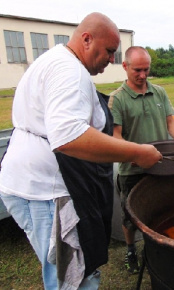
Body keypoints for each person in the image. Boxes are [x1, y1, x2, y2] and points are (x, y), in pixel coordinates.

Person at [0, 13, 162, 290]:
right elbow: (68, 136)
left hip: (39, 185)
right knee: (71, 276)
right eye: (110, 51)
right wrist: (136, 152)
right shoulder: (70, 72)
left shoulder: (56, 60)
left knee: (65, 269)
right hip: (44, 191)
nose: (112, 59)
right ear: (86, 39)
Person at [108, 46, 174, 274]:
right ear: (125, 67)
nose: (143, 75)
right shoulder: (117, 100)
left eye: (146, 69)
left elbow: (170, 123)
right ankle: (130, 250)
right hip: (132, 170)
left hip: (162, 166)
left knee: (162, 209)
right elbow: (116, 137)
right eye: (137, 70)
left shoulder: (160, 92)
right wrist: (135, 156)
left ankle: (160, 246)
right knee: (130, 216)